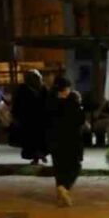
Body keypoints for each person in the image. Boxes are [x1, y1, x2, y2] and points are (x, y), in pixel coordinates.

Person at [46, 76, 85, 206]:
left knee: (59, 168)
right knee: (74, 166)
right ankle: (65, 187)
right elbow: (80, 120)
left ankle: (60, 196)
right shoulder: (71, 103)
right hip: (71, 140)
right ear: (66, 88)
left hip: (54, 141)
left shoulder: (49, 102)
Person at [12, 69, 48, 164]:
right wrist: (16, 117)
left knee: (39, 139)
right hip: (28, 120)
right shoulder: (22, 90)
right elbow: (17, 104)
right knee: (32, 140)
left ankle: (38, 155)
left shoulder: (43, 89)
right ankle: (37, 156)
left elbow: (48, 103)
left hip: (40, 119)